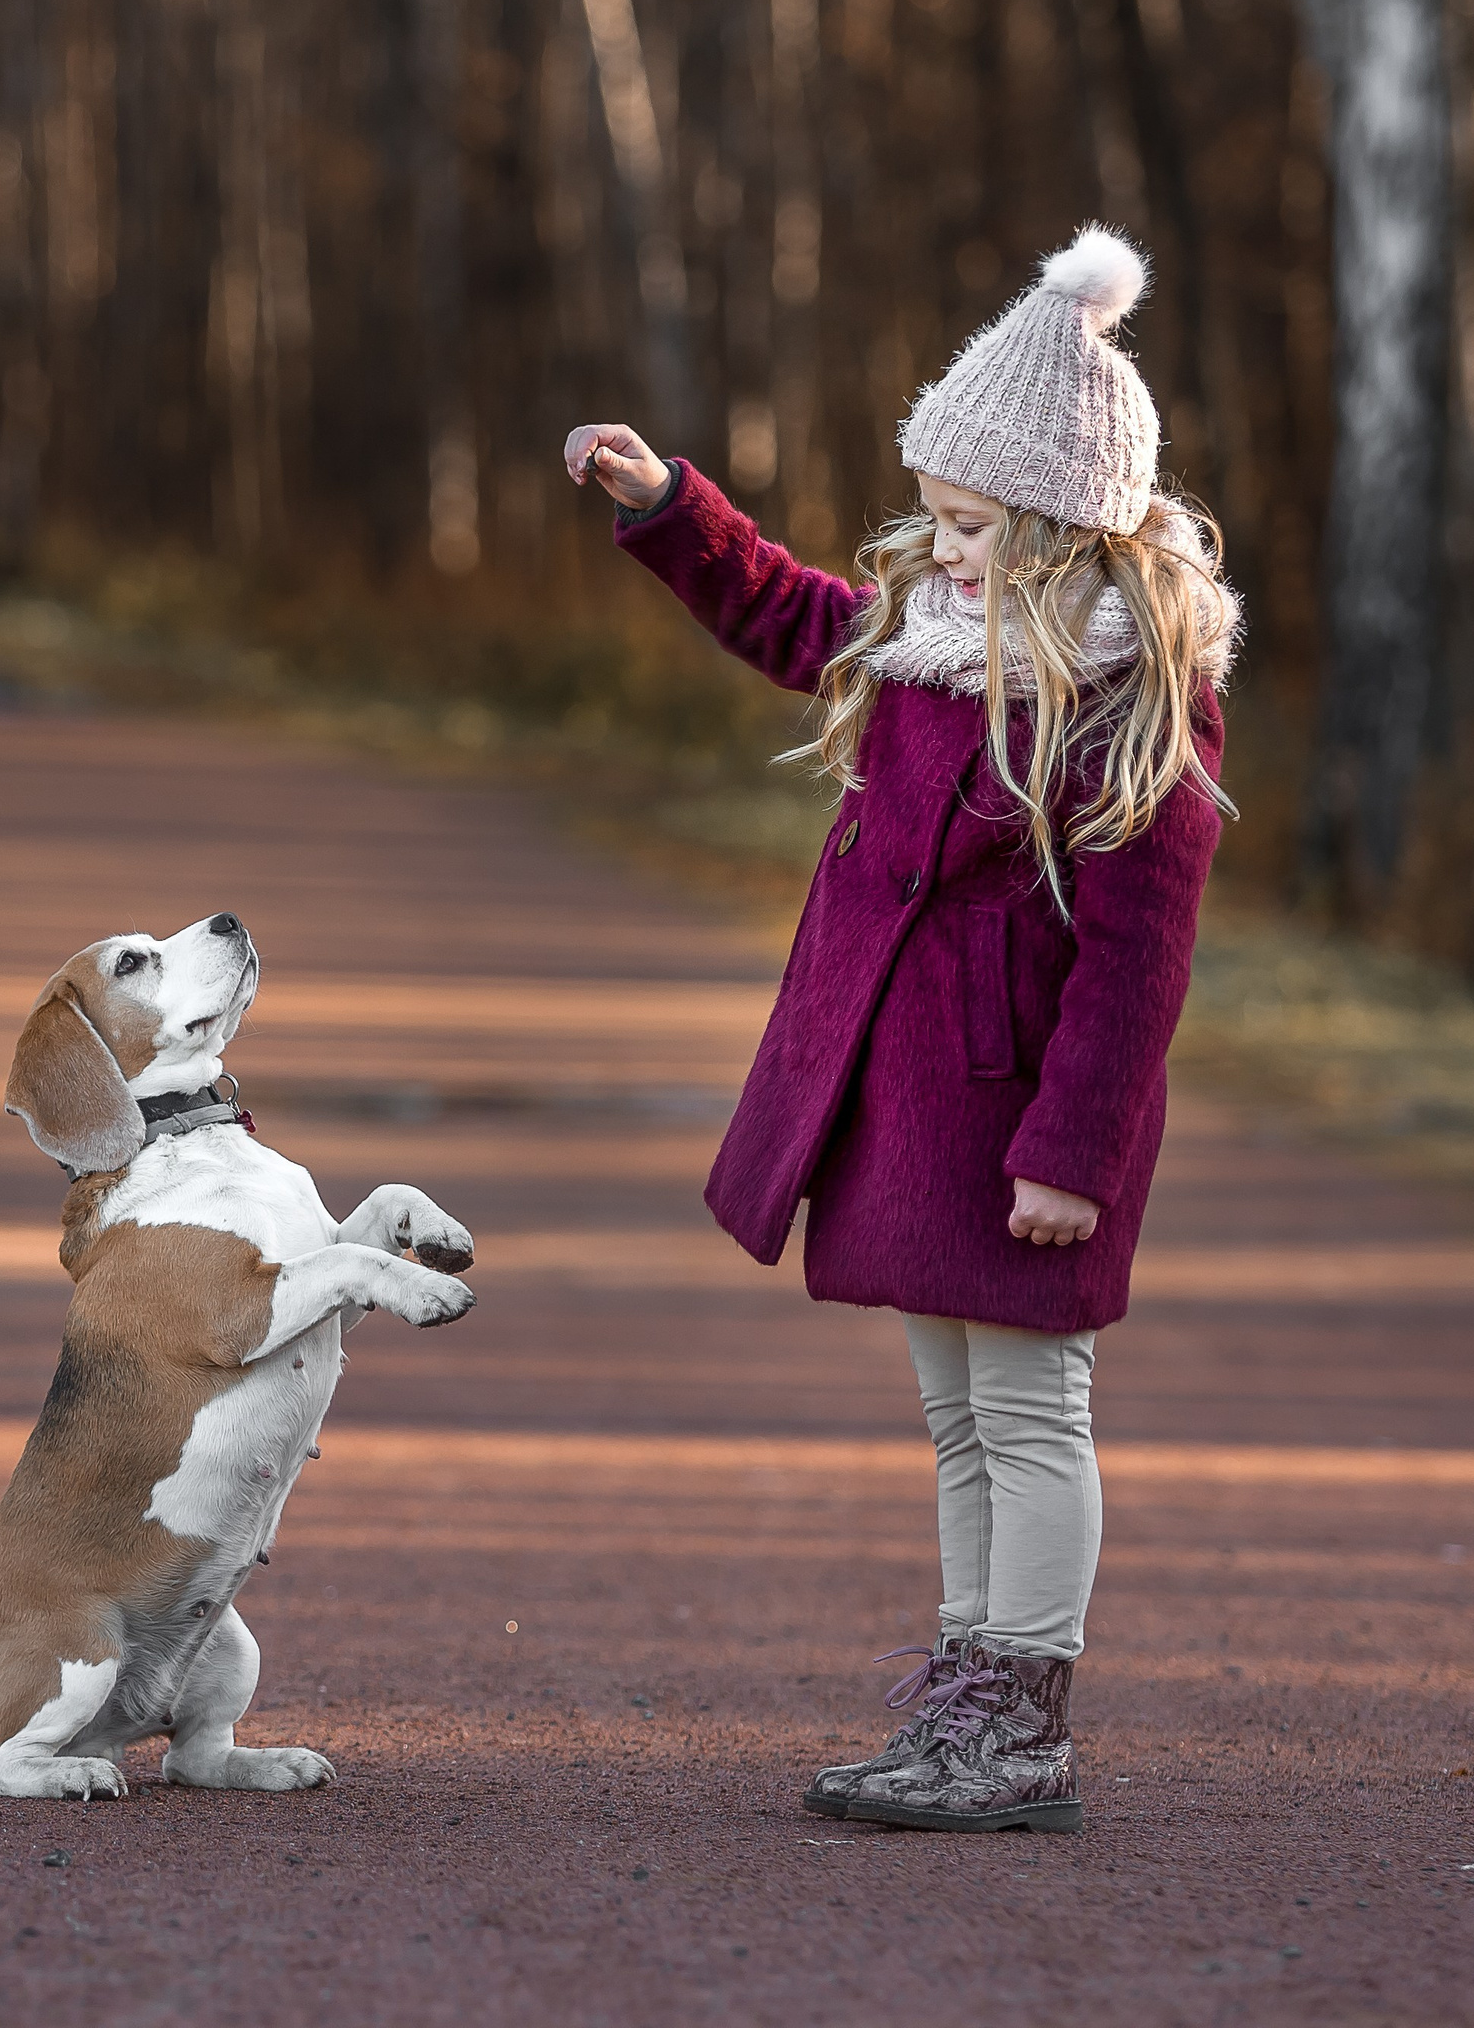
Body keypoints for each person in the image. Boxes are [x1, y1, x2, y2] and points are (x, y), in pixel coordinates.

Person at [563, 226, 1238, 1835]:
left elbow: (1142, 962)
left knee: (1030, 1408)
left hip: (1022, 1115)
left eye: (971, 527)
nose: (937, 551)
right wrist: (675, 511)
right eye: (932, 517)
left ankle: (1024, 1720)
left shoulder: (1132, 695)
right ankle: (963, 1695)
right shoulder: (934, 635)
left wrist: (1070, 1154)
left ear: (1067, 532)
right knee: (954, 1411)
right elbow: (794, 619)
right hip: (911, 1092)